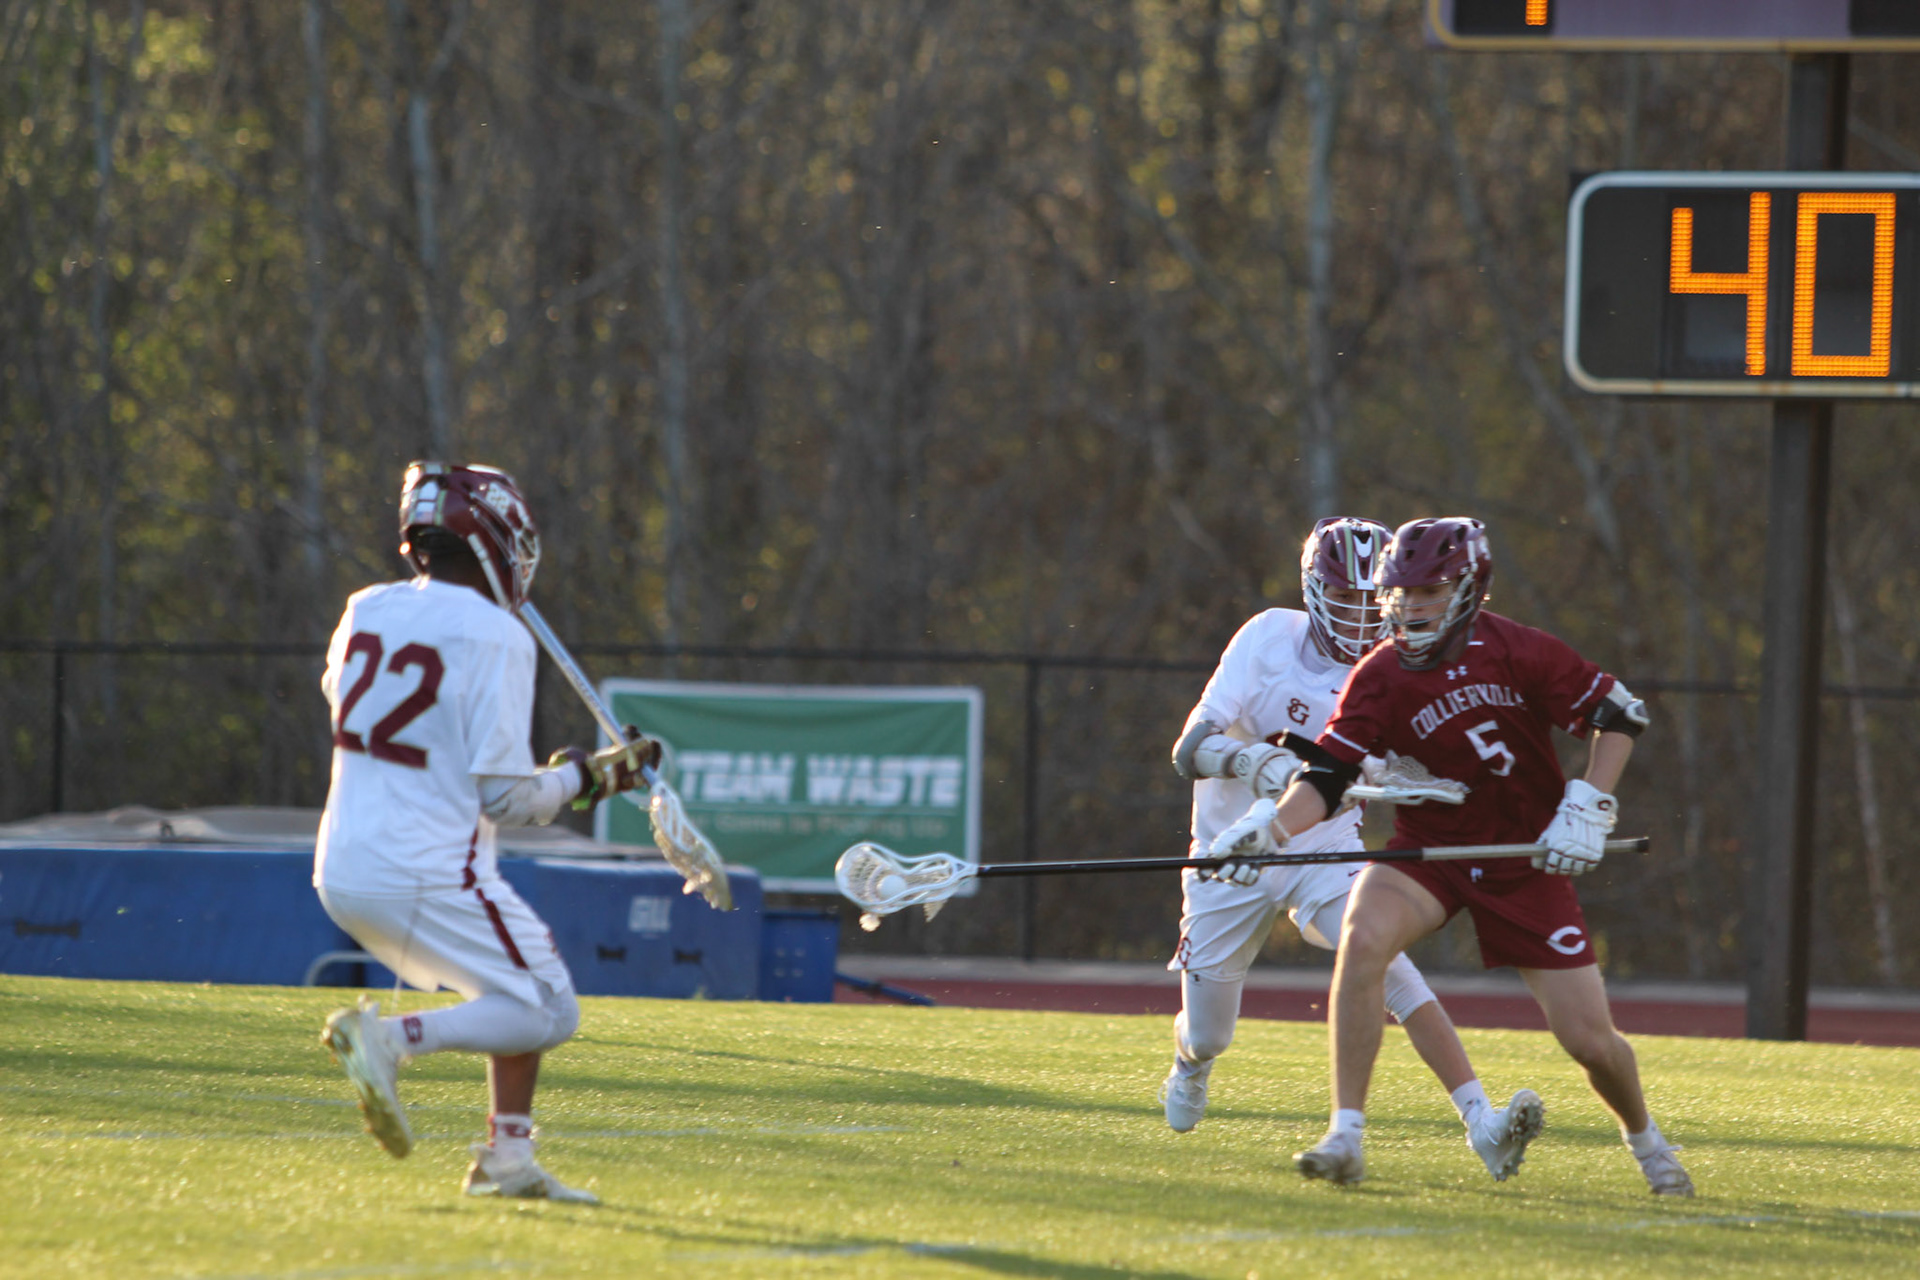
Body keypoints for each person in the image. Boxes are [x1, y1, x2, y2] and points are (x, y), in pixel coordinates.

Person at [1214, 516, 1693, 1196]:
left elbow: (1620, 715)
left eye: (1429, 590)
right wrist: (1269, 830)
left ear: (1469, 587)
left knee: (1590, 1042)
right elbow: (1326, 777)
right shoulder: (1380, 674)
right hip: (1432, 853)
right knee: (1362, 936)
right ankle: (1345, 1134)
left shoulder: (1519, 650)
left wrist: (1589, 802)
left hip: (1525, 862)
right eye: (1402, 591)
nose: (1411, 606)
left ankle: (1647, 1143)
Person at [1161, 517, 1544, 1185]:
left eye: (1374, 600)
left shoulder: (1394, 670)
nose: (1362, 616)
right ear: (1313, 589)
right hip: (1228, 855)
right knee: (1208, 1034)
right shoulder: (1267, 637)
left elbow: (1363, 785)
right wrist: (1252, 763)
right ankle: (1190, 1064)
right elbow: (1188, 749)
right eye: (1345, 597)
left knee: (1388, 962)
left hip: (1321, 847)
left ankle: (1481, 1121)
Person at [314, 461, 654, 1203]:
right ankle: (389, 1040)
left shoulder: (364, 608)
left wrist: (578, 774)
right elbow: (504, 801)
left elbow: (355, 704)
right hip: (426, 868)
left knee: (512, 987)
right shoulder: (497, 634)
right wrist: (588, 779)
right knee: (549, 1006)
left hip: (340, 863)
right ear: (495, 538)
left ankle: (508, 1160)